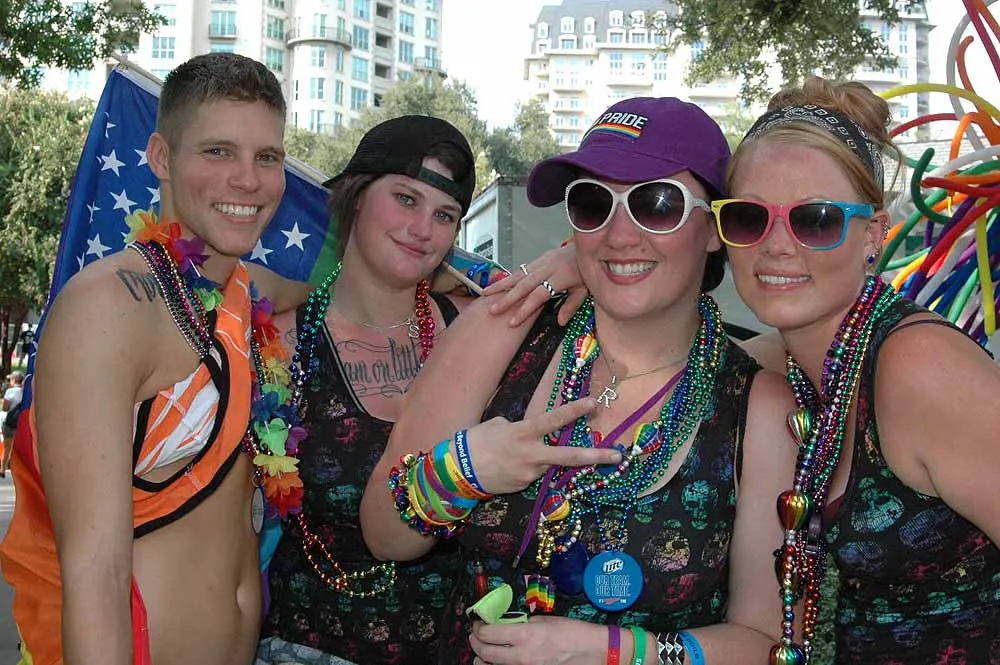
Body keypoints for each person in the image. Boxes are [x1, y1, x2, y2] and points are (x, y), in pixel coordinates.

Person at [361, 97, 800, 664]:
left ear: (714, 228)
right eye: (593, 204)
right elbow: (384, 534)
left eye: (656, 205)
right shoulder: (503, 330)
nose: (619, 235)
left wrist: (618, 652)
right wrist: (461, 470)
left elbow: (767, 643)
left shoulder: (756, 407)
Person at [0, 52, 308, 665]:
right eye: (218, 151)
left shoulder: (247, 292)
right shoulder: (107, 306)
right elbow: (97, 572)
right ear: (162, 157)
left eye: (267, 157)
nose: (248, 180)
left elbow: (335, 284)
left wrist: (447, 274)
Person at [257, 116, 587, 665]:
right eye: (406, 199)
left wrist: (571, 257)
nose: (422, 229)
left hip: (463, 649)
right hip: (308, 646)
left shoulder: (485, 327)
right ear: (356, 197)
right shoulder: (277, 345)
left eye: (444, 215)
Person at [716, 76, 1000, 663]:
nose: (776, 246)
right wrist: (581, 271)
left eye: (815, 220)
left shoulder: (919, 367)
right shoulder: (789, 363)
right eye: (748, 218)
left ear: (874, 234)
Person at [1, 370, 24, 476]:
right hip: (21, 424)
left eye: (10, 379)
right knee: (19, 449)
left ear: (14, 380)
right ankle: (19, 472)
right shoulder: (25, 391)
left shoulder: (10, 392)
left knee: (7, 447)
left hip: (10, 423)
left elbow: (5, 408)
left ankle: (2, 469)